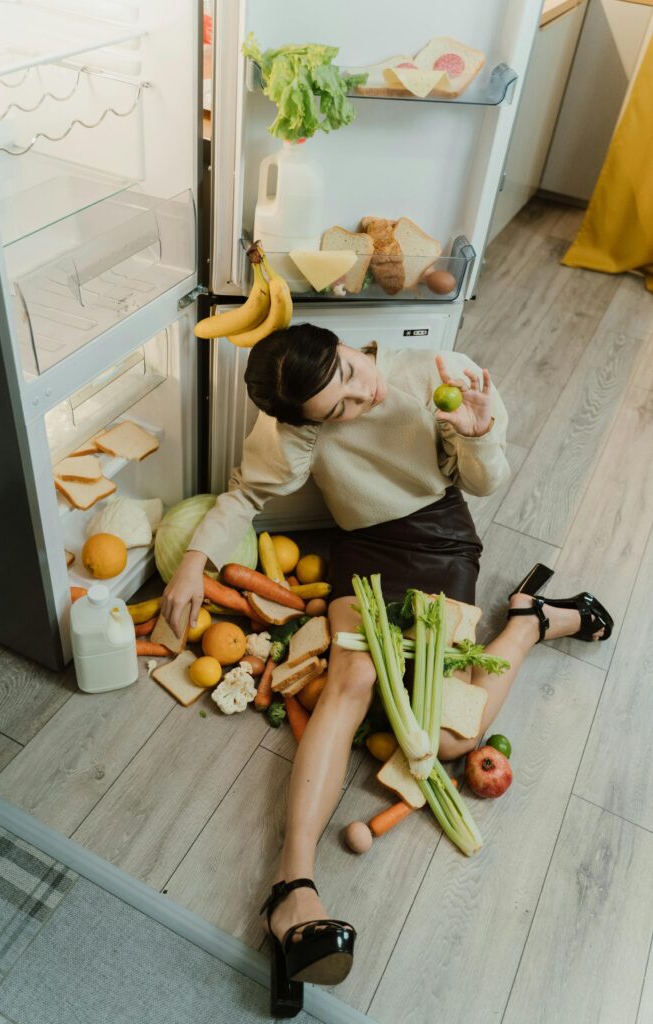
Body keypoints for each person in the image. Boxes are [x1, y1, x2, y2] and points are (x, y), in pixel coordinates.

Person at [161, 324, 612, 1017]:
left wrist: (480, 429)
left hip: (438, 537)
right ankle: (292, 889)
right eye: (334, 408)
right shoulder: (294, 423)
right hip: (365, 545)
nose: (357, 396)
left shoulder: (430, 371)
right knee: (350, 681)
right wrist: (194, 560)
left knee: (452, 743)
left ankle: (527, 619)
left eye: (348, 373)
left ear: (346, 345)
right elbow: (247, 496)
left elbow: (486, 482)